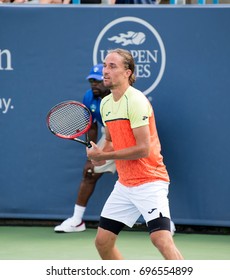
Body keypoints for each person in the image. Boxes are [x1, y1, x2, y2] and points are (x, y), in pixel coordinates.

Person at [86, 49, 183, 260]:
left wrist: (105, 157)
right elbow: (112, 141)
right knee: (103, 242)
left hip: (150, 181)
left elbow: (142, 149)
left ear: (127, 72)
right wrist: (100, 153)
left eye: (113, 66)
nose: (106, 71)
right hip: (125, 185)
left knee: (161, 240)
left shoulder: (136, 101)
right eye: (105, 65)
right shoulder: (106, 103)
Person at [54, 64, 115, 233]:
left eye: (98, 81)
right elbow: (92, 126)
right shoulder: (89, 97)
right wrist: (92, 154)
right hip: (109, 134)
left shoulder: (121, 97)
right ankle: (77, 220)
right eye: (91, 81)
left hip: (130, 136)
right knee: (89, 172)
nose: (94, 85)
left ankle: (162, 221)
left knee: (143, 179)